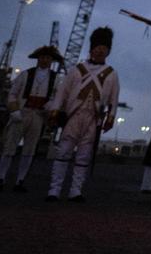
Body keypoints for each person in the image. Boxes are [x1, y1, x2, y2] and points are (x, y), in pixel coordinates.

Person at [46, 28, 119, 202]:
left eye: (104, 47)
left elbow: (114, 98)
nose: (101, 50)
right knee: (63, 151)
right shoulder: (77, 70)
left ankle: (75, 191)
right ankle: (54, 190)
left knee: (84, 155)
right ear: (92, 48)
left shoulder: (112, 74)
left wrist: (111, 117)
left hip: (93, 118)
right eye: (98, 46)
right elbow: (62, 92)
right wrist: (56, 110)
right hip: (74, 115)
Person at [0, 45, 62, 193]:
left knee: (29, 150)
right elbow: (12, 94)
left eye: (48, 58)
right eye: (43, 57)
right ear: (38, 59)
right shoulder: (25, 75)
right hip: (22, 112)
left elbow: (57, 98)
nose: (45, 60)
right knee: (9, 147)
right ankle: (1, 178)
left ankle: (20, 181)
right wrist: (14, 110)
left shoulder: (56, 78)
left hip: (38, 115)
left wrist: (50, 106)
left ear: (52, 60)